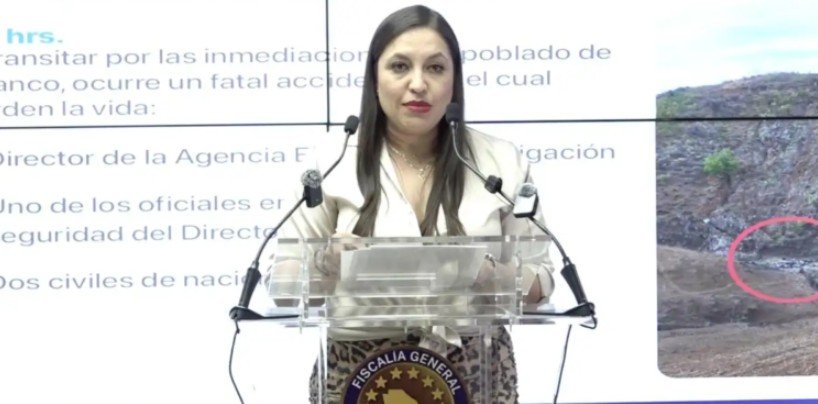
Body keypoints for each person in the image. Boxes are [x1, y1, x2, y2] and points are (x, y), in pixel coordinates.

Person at [272, 5, 555, 403]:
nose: (418, 84)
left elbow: (541, 283)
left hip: (476, 369)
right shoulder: (331, 160)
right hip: (358, 372)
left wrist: (491, 274)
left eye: (435, 68)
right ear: (375, 78)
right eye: (400, 66)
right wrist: (324, 263)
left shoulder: (500, 161)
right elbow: (283, 287)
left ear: (454, 81)